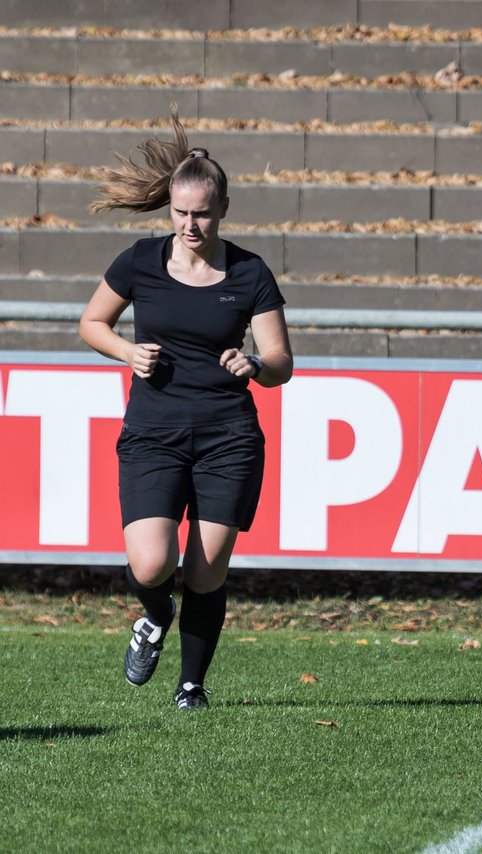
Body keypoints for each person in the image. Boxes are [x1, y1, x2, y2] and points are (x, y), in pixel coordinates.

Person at [79, 109, 293, 710]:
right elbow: (92, 323)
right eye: (180, 212)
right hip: (153, 432)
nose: (190, 224)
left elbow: (282, 361)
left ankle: (192, 685)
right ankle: (153, 615)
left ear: (223, 208)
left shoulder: (250, 272)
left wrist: (256, 366)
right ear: (169, 208)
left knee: (205, 573)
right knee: (151, 566)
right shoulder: (140, 262)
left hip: (228, 437)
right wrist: (127, 351)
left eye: (201, 213)